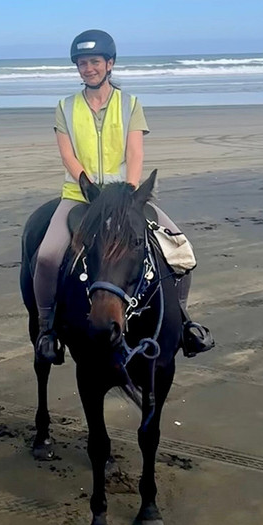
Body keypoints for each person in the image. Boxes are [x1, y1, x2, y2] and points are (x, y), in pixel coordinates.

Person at [32, 29, 214, 365]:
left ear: (109, 64)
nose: (89, 68)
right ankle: (47, 330)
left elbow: (135, 153)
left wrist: (129, 194)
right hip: (81, 196)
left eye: (95, 62)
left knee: (180, 249)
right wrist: (87, 184)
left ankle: (185, 321)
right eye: (83, 63)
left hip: (125, 196)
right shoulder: (65, 107)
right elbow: (67, 155)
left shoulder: (130, 105)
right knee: (47, 256)